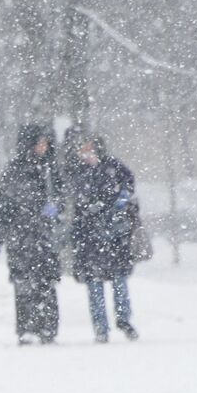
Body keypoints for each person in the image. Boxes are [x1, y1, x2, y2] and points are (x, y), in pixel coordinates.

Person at [0, 124, 63, 344]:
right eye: (40, 142)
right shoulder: (13, 171)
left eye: (46, 142)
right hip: (20, 237)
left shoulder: (50, 169)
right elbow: (3, 205)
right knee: (23, 285)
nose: (44, 146)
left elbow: (61, 196)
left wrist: (56, 206)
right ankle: (27, 328)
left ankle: (48, 328)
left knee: (46, 284)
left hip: (44, 237)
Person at [71, 134, 139, 342]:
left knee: (119, 280)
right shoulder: (79, 173)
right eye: (84, 150)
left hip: (115, 236)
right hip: (90, 237)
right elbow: (78, 203)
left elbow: (128, 184)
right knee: (95, 284)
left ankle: (123, 320)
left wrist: (120, 200)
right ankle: (101, 327)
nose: (87, 154)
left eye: (90, 149)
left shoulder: (113, 167)